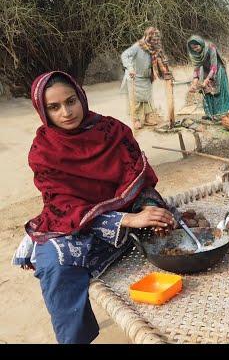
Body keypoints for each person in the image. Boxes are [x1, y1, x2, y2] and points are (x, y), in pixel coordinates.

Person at [12, 71, 177, 344]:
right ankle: (75, 338)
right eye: (54, 107)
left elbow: (140, 181)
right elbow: (62, 206)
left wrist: (148, 208)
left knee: (169, 228)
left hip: (127, 217)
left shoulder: (113, 132)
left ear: (81, 97)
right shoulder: (43, 151)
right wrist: (124, 220)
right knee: (55, 264)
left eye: (71, 101)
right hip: (74, 224)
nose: (66, 112)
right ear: (43, 110)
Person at [120, 27, 174, 129]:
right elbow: (124, 55)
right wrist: (130, 68)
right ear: (147, 37)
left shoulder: (156, 49)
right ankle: (135, 120)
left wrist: (166, 71)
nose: (156, 41)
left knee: (147, 98)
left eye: (157, 39)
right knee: (135, 101)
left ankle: (147, 117)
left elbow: (161, 62)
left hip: (146, 77)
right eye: (153, 39)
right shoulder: (137, 47)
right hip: (134, 77)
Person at [187, 35, 229, 120]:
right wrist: (194, 83)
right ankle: (210, 114)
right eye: (193, 48)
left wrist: (207, 80)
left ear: (200, 43)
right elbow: (196, 68)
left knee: (217, 92)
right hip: (205, 70)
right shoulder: (195, 54)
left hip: (217, 70)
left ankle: (221, 114)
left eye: (196, 46)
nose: (195, 49)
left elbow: (214, 67)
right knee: (206, 91)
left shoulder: (210, 47)